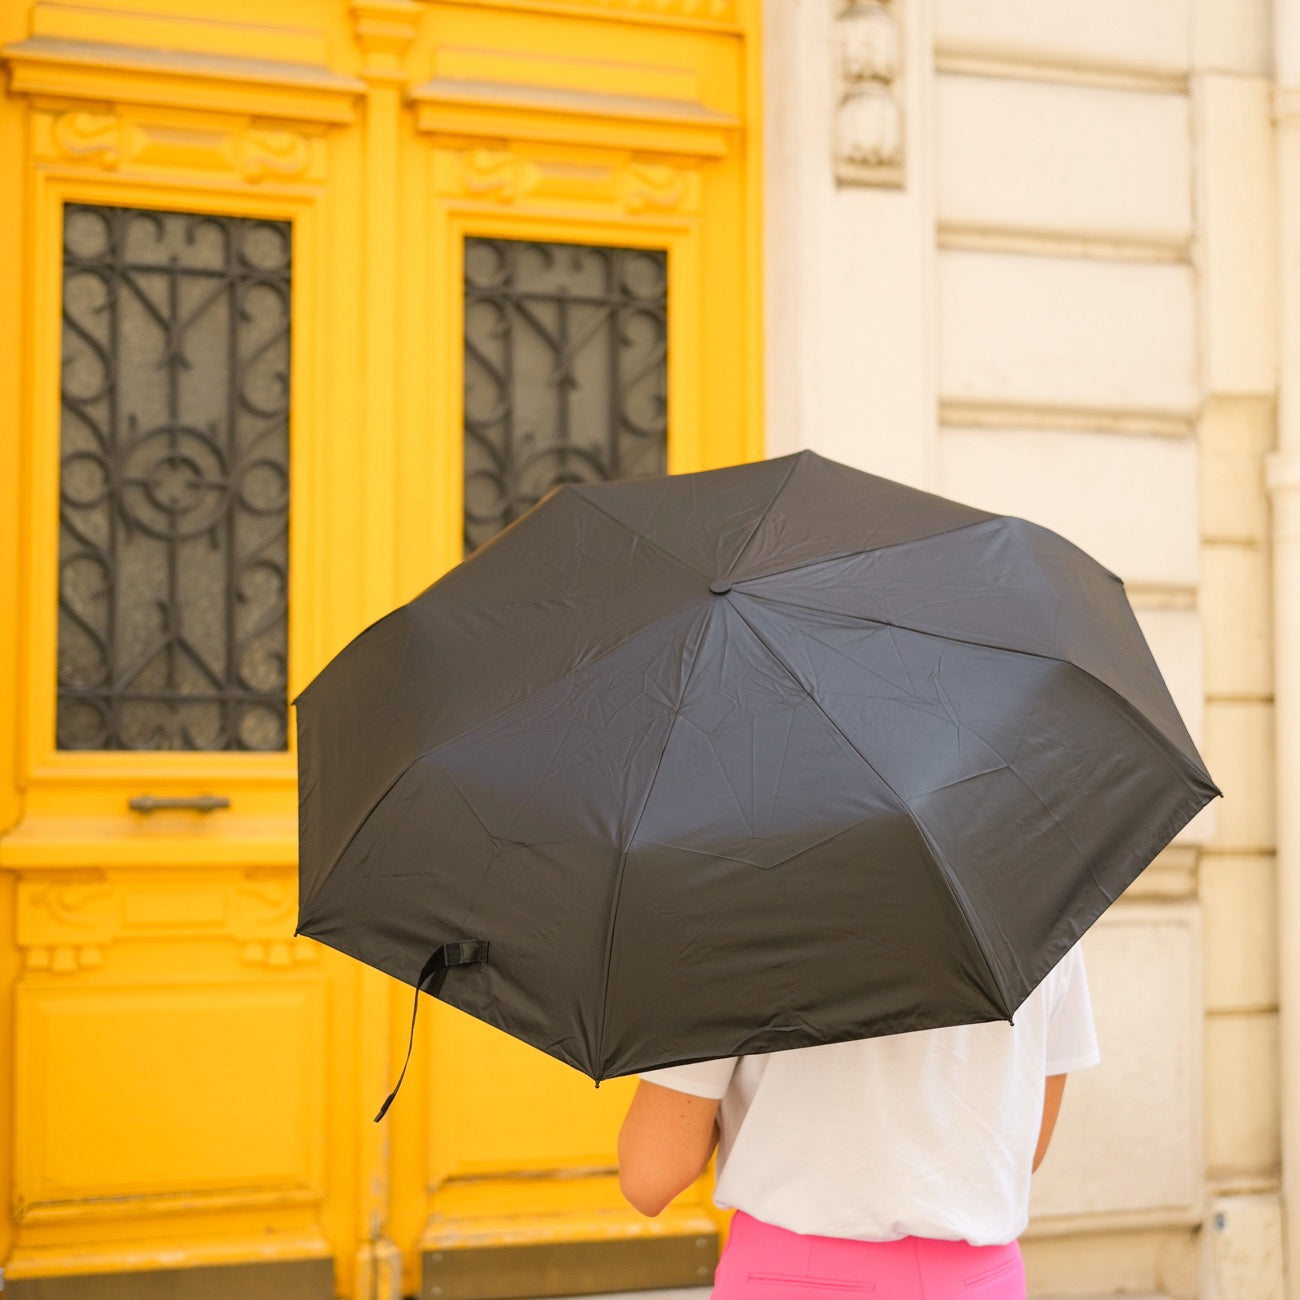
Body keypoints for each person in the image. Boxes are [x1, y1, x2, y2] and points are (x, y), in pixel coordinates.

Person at [617, 944, 1099, 1299]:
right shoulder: (1041, 921)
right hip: (981, 1281)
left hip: (797, 1280)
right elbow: (1024, 1148)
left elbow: (651, 1177)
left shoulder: (735, 934)